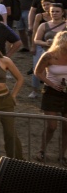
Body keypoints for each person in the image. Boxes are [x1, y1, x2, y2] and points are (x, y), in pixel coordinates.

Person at [33, 31, 67, 164]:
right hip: (52, 93)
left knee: (66, 127)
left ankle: (62, 155)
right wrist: (51, 84)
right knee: (52, 125)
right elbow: (37, 72)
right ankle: (42, 150)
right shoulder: (49, 56)